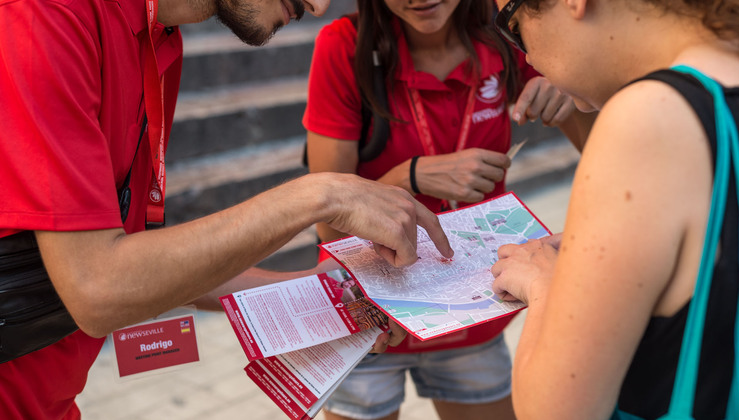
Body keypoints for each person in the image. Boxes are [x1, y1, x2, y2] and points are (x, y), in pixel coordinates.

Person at [0, 0, 456, 418]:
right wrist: (319, 195)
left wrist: (320, 291)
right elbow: (98, 288)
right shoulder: (46, 14)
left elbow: (138, 257)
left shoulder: (159, 38)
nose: (317, 6)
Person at [303, 1, 592, 419]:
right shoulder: (344, 46)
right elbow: (328, 225)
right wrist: (408, 178)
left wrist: (574, 89)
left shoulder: (511, 32)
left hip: (474, 307)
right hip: (374, 315)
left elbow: (600, 149)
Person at [489, 0, 739, 418]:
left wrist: (549, 285)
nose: (526, 56)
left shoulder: (650, 117)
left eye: (511, 24)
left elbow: (557, 412)